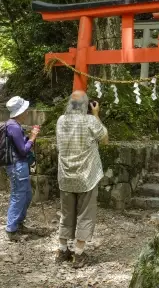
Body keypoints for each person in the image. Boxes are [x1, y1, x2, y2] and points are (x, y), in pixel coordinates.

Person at [55, 91, 108, 268]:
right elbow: (105, 139)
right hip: (86, 176)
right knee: (85, 214)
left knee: (66, 213)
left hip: (66, 176)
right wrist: (96, 115)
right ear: (87, 105)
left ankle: (62, 250)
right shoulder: (90, 121)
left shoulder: (61, 120)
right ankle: (78, 253)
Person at [5, 96, 40, 241]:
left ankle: (19, 223)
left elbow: (19, 145)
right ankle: (11, 229)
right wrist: (32, 138)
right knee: (18, 196)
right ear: (20, 112)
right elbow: (22, 150)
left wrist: (29, 138)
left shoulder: (14, 125)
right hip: (17, 166)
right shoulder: (13, 126)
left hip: (19, 165)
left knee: (26, 196)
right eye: (25, 110)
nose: (27, 112)